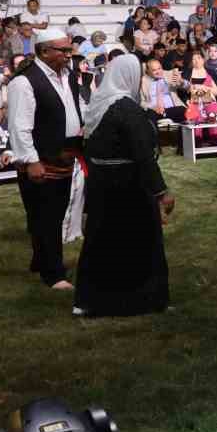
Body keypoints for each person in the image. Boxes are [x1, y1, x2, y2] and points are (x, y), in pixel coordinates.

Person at [74, 55, 173, 318]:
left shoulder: (99, 103)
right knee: (138, 242)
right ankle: (140, 299)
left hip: (101, 182)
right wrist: (161, 191)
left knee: (101, 241)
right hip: (129, 184)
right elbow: (143, 154)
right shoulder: (126, 108)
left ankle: (91, 300)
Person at [6, 28, 84, 291]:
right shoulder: (24, 82)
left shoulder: (69, 75)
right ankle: (53, 273)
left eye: (68, 49)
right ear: (44, 51)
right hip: (40, 157)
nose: (68, 54)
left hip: (65, 153)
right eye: (62, 50)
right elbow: (19, 126)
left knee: (51, 213)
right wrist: (31, 160)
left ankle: (41, 260)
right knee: (45, 215)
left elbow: (72, 106)